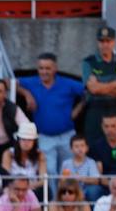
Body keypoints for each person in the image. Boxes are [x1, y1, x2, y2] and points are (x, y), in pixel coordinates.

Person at [17, 52, 86, 185]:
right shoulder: (32, 82)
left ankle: (69, 202)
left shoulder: (67, 83)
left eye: (48, 68)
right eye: (41, 68)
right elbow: (9, 82)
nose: (44, 72)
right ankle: (53, 203)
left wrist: (78, 109)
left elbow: (88, 91)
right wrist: (26, 94)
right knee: (49, 172)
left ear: (55, 68)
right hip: (44, 137)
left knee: (69, 171)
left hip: (67, 135)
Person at [82, 26, 116, 145]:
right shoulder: (89, 62)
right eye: (102, 41)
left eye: (108, 41)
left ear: (114, 42)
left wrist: (100, 86)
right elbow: (92, 89)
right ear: (97, 42)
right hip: (95, 109)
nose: (105, 45)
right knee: (94, 146)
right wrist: (115, 84)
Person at [2, 122, 46, 196]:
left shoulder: (40, 154)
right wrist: (19, 187)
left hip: (33, 188)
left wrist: (27, 187)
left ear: (34, 142)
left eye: (29, 140)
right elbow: (6, 177)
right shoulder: (8, 153)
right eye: (23, 139)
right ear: (18, 140)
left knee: (45, 191)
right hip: (14, 189)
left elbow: (43, 180)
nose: (26, 143)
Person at [61, 134, 103, 203]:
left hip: (86, 191)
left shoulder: (91, 162)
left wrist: (79, 178)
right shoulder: (66, 163)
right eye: (76, 146)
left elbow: (96, 180)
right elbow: (62, 181)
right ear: (71, 149)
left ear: (87, 148)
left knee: (94, 190)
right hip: (71, 190)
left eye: (82, 146)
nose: (80, 149)